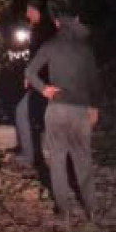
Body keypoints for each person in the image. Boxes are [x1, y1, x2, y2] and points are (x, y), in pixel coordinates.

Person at [25, 13, 101, 219]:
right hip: (80, 111)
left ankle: (63, 210)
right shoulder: (86, 50)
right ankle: (91, 208)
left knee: (57, 159)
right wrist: (94, 108)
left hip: (57, 109)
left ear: (59, 24)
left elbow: (30, 72)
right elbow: (94, 83)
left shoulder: (50, 45)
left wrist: (44, 89)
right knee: (83, 158)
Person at [14, 1, 57, 165]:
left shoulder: (44, 31)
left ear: (37, 11)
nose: (27, 15)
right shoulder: (42, 29)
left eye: (29, 11)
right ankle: (33, 154)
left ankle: (30, 155)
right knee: (29, 113)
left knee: (22, 112)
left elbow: (42, 59)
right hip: (41, 81)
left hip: (45, 83)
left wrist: (32, 77)